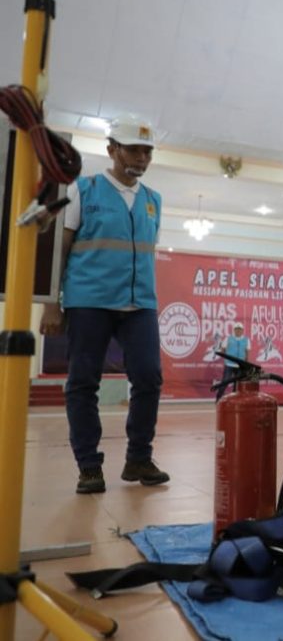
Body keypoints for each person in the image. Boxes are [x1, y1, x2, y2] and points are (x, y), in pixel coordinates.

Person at [39, 114, 169, 494]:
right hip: (88, 301)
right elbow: (61, 247)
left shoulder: (153, 201)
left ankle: (139, 457)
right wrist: (51, 304)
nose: (141, 158)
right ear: (111, 149)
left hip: (139, 303)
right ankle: (89, 466)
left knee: (149, 377)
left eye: (147, 152)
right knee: (83, 382)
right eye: (133, 149)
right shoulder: (85, 189)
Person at [215, 322, 250, 401]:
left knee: (237, 384)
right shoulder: (228, 338)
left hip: (240, 365)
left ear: (242, 330)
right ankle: (218, 399)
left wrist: (246, 364)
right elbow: (223, 349)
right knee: (225, 382)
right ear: (234, 330)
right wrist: (226, 358)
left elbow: (247, 352)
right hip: (229, 364)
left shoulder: (246, 340)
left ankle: (235, 400)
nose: (238, 331)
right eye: (237, 329)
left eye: (240, 329)